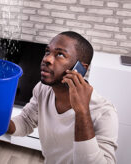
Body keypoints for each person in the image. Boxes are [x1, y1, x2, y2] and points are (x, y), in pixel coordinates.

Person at [7, 31, 118, 164]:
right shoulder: (43, 89)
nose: (46, 59)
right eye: (47, 52)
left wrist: (82, 112)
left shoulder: (105, 113)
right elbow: (26, 121)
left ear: (81, 68)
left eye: (60, 54)